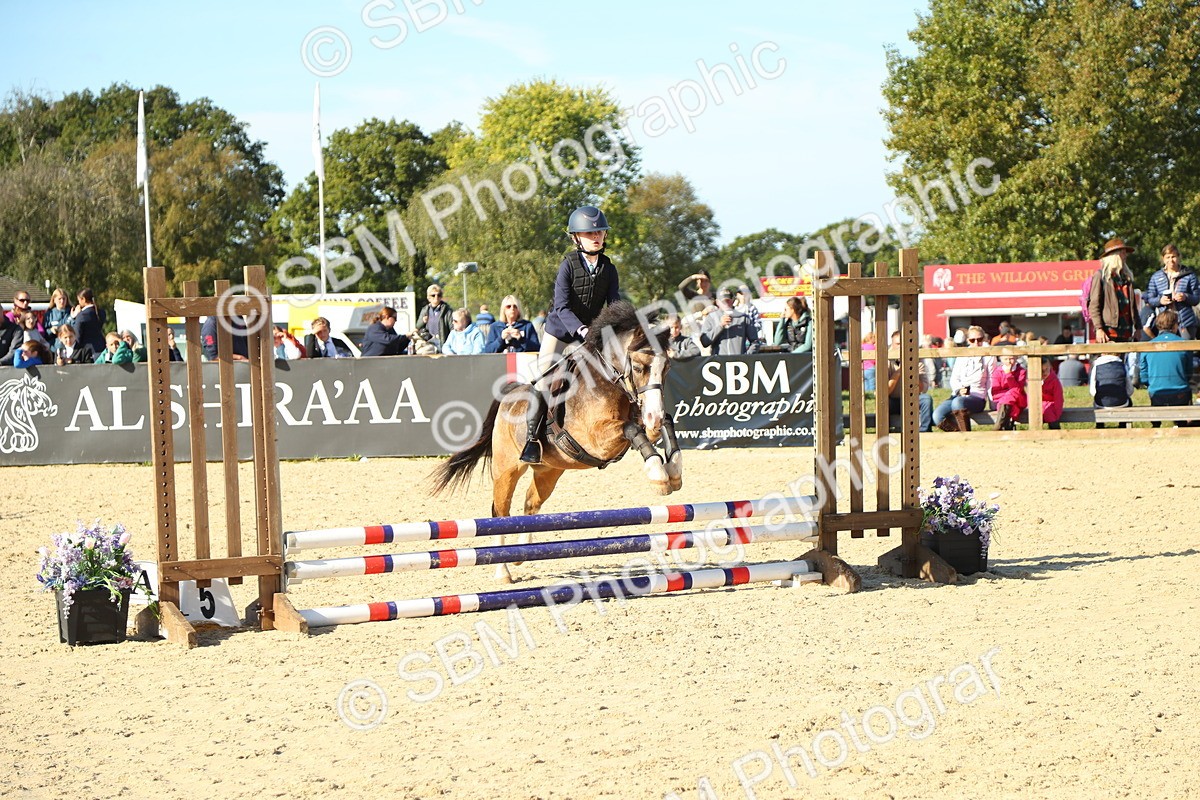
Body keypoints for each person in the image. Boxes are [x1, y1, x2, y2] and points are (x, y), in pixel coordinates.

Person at [525, 205, 621, 463]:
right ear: (576, 237)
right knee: (543, 379)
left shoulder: (609, 269)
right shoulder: (567, 265)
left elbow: (614, 305)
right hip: (560, 331)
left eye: (600, 232)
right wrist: (582, 329)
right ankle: (532, 441)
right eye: (590, 234)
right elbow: (562, 306)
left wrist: (618, 329)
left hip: (590, 334)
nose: (597, 236)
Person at [1137, 309, 1194, 426]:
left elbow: (1143, 375)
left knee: (1155, 400)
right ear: (1174, 326)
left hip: (1156, 392)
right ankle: (1181, 425)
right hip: (1180, 392)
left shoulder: (1147, 347)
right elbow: (1189, 372)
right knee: (1183, 409)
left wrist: (1151, 384)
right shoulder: (1185, 344)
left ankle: (1156, 425)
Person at [932, 325, 992, 432]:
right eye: (973, 340)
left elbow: (990, 381)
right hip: (958, 394)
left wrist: (993, 404)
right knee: (937, 415)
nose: (976, 343)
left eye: (980, 339)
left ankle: (966, 434)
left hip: (977, 397)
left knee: (958, 402)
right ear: (968, 340)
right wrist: (960, 389)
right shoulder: (962, 354)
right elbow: (954, 378)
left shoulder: (989, 356)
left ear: (984, 339)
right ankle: (958, 434)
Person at [1088, 238, 1139, 343]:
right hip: (1108, 332)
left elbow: (1133, 307)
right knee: (1109, 359)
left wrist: (1138, 327)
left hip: (1126, 331)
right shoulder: (1100, 276)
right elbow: (1094, 305)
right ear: (1115, 256)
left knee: (1123, 359)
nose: (1125, 256)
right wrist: (1099, 329)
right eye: (1122, 253)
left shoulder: (1126, 278)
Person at [1145, 244, 1200, 340]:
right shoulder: (1156, 277)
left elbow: (1196, 298)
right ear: (1163, 259)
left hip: (1185, 321)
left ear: (1178, 257)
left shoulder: (1189, 275)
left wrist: (1185, 297)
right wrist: (1160, 300)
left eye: (1173, 257)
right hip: (1164, 322)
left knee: (1186, 350)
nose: (1171, 260)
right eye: (1168, 257)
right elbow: (1150, 298)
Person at [700, 288, 757, 355]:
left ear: (733, 300)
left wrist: (746, 356)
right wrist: (720, 325)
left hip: (739, 362)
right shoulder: (711, 317)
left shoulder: (743, 318)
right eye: (723, 301)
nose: (726, 303)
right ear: (717, 302)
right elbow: (704, 342)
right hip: (719, 361)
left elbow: (755, 342)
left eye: (728, 300)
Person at [886, 354, 934, 433]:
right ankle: (885, 432)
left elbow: (923, 389)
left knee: (926, 399)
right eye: (898, 344)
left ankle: (925, 431)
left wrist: (912, 373)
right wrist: (898, 372)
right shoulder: (886, 362)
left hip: (912, 399)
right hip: (893, 400)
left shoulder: (918, 362)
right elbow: (885, 392)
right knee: (883, 401)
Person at [1090, 351, 1134, 428]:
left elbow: (1092, 390)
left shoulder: (1096, 366)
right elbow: (1130, 388)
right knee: (1129, 402)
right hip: (1121, 402)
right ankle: (1123, 425)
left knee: (1095, 402)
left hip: (1101, 403)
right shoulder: (1122, 365)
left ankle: (1100, 425)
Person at [989, 355, 1028, 431]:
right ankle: (1007, 426)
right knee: (1011, 406)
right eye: (1005, 359)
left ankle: (998, 426)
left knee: (1010, 397)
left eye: (1011, 358)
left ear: (1016, 358)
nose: (1009, 361)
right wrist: (1008, 394)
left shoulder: (1021, 371)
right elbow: (995, 392)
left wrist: (1008, 374)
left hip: (1018, 400)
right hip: (1002, 402)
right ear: (1001, 359)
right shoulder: (997, 372)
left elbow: (1017, 390)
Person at [415, 284, 452, 353]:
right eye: (433, 295)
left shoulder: (447, 310)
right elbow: (418, 327)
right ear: (428, 297)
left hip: (442, 341)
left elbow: (452, 328)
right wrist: (423, 321)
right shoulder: (425, 310)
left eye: (439, 295)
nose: (436, 297)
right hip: (429, 341)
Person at [71, 288, 106, 354]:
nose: (78, 302)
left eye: (79, 300)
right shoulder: (101, 312)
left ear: (83, 299)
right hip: (101, 346)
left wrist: (74, 317)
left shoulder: (82, 315)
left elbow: (77, 335)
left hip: (87, 350)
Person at [1041, 360, 1065, 429]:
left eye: (1046, 369)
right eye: (1042, 370)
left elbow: (1059, 398)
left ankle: (1055, 430)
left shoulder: (1054, 380)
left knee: (1049, 412)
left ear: (1050, 367)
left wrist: (1057, 414)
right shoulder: (1034, 381)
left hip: (1052, 406)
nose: (1044, 373)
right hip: (1039, 405)